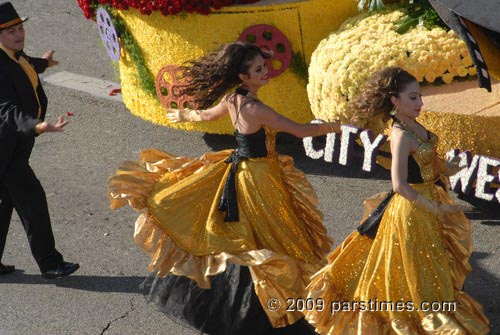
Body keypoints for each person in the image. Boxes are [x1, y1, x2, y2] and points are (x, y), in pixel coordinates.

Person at [108, 41, 340, 334]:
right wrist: (337, 126)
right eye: (258, 69)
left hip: (241, 170)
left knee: (249, 236)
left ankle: (247, 296)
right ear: (243, 77)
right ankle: (270, 299)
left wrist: (184, 115)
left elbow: (206, 115)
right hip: (259, 178)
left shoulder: (233, 99)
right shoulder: (256, 108)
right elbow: (300, 130)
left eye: (264, 66)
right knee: (276, 236)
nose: (265, 72)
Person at [304, 67, 489, 334]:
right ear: (394, 101)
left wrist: (452, 167)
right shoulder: (400, 135)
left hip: (428, 199)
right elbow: (399, 185)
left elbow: (428, 164)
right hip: (413, 210)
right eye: (413, 98)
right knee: (420, 267)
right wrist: (435, 208)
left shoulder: (414, 125)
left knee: (432, 265)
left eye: (420, 97)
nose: (420, 103)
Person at [0, 2, 79, 278]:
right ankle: (50, 263)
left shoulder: (14, 56)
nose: (19, 34)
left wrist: (44, 63)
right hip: (6, 152)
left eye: (20, 28)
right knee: (33, 200)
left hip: (14, 148)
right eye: (11, 31)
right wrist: (38, 126)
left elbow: (26, 64)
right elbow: (6, 111)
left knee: (5, 203)